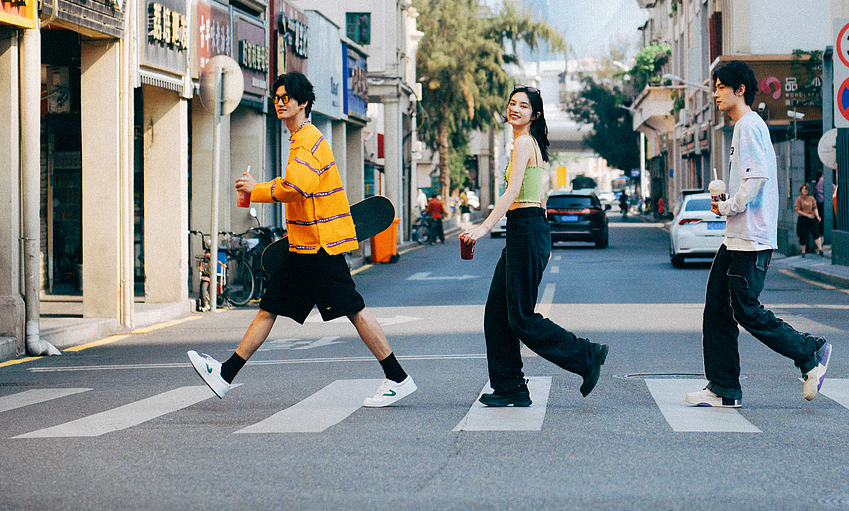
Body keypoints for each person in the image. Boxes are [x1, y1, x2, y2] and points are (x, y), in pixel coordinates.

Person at [187, 72, 416, 407]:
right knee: (268, 309)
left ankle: (398, 376)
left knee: (354, 310)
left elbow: (297, 187)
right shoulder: (299, 140)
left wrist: (257, 190)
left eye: (286, 98)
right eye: (277, 98)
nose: (280, 103)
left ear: (303, 103)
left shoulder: (308, 139)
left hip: (320, 247)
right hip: (303, 247)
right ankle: (225, 374)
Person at [687, 61, 833, 408]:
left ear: (740, 89)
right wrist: (729, 205)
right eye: (715, 87)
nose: (716, 94)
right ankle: (723, 388)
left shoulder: (749, 126)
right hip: (737, 237)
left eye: (721, 87)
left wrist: (726, 207)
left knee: (746, 309)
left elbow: (755, 183)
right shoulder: (744, 127)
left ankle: (810, 352)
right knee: (717, 311)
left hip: (750, 238)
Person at [461, 85, 610, 407]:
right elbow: (535, 196)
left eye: (523, 106)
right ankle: (510, 386)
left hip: (525, 229)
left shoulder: (525, 142)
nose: (515, 109)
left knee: (521, 318)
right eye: (512, 103)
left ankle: (586, 354)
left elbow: (514, 191)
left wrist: (485, 227)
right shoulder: (529, 143)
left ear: (535, 114)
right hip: (527, 229)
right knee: (497, 315)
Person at [795, 183, 823, 256]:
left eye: (806, 189)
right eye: (803, 189)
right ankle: (803, 252)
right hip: (803, 218)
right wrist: (807, 215)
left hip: (812, 218)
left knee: (816, 233)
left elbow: (815, 207)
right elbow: (797, 210)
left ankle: (820, 249)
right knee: (803, 235)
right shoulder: (799, 199)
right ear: (801, 190)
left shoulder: (811, 198)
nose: (805, 191)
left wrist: (817, 216)